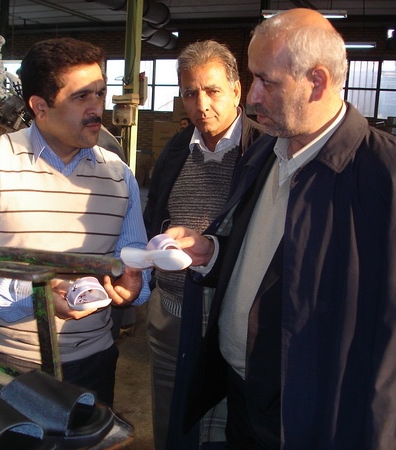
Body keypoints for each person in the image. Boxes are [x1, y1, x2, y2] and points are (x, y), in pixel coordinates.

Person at [166, 9, 396, 449]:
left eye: (266, 81)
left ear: (317, 81)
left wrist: (389, 438)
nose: (252, 96)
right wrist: (213, 252)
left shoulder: (390, 175)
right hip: (242, 393)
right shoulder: (266, 153)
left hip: (309, 411)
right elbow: (267, 257)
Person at [0, 37, 150, 407]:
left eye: (100, 93)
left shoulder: (119, 174)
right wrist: (36, 296)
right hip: (2, 364)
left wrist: (133, 285)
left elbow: (132, 257)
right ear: (40, 107)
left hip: (92, 364)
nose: (97, 108)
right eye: (81, 97)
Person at [143, 40, 262, 450]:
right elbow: (155, 212)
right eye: (190, 93)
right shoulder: (177, 149)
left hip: (226, 321)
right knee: (170, 420)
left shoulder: (263, 151)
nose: (202, 105)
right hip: (170, 316)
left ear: (236, 90)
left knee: (221, 425)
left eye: (212, 91)